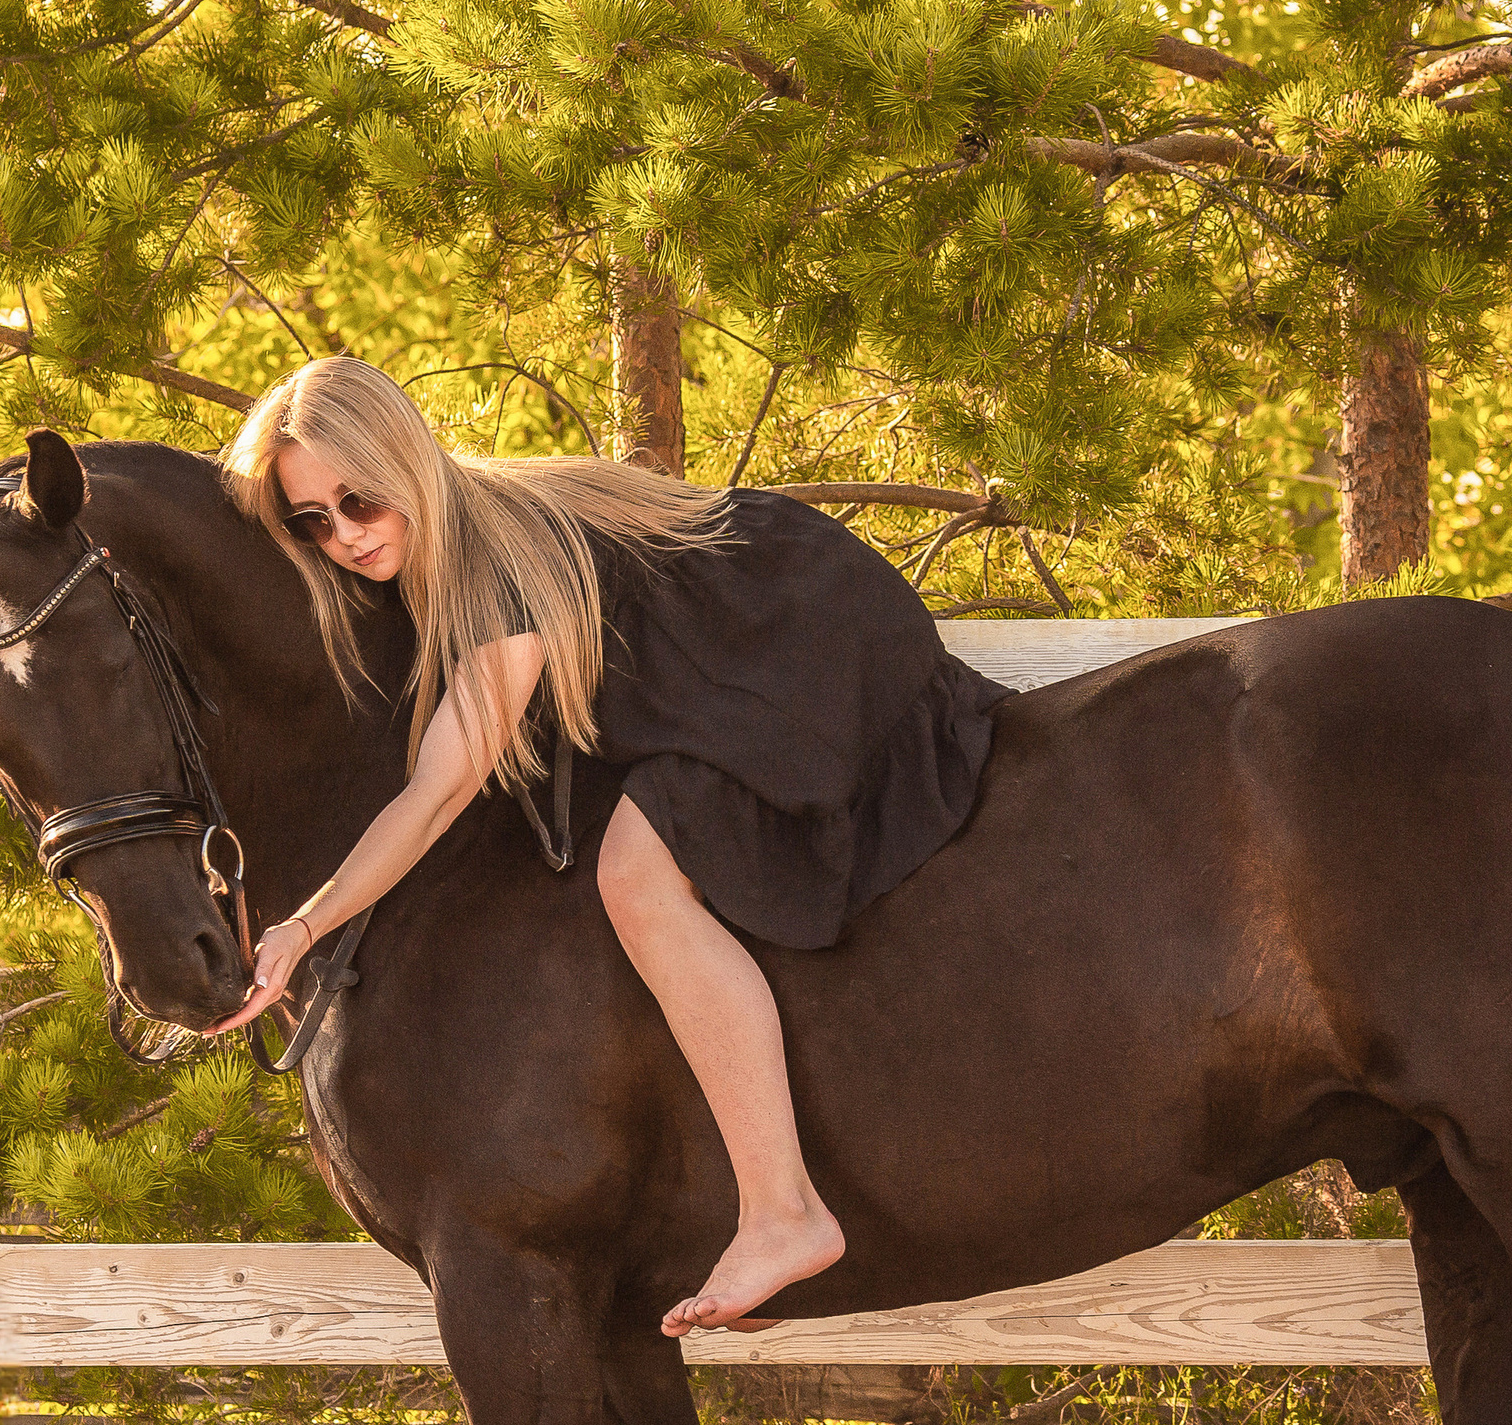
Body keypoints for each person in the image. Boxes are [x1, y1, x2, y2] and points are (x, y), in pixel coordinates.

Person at [215, 355, 1007, 1334]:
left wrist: (300, 926)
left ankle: (784, 1214)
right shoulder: (456, 533)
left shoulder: (492, 566)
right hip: (757, 639)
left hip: (796, 633)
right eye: (311, 521)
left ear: (406, 463)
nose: (344, 535)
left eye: (359, 501)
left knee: (635, 876)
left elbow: (434, 796)